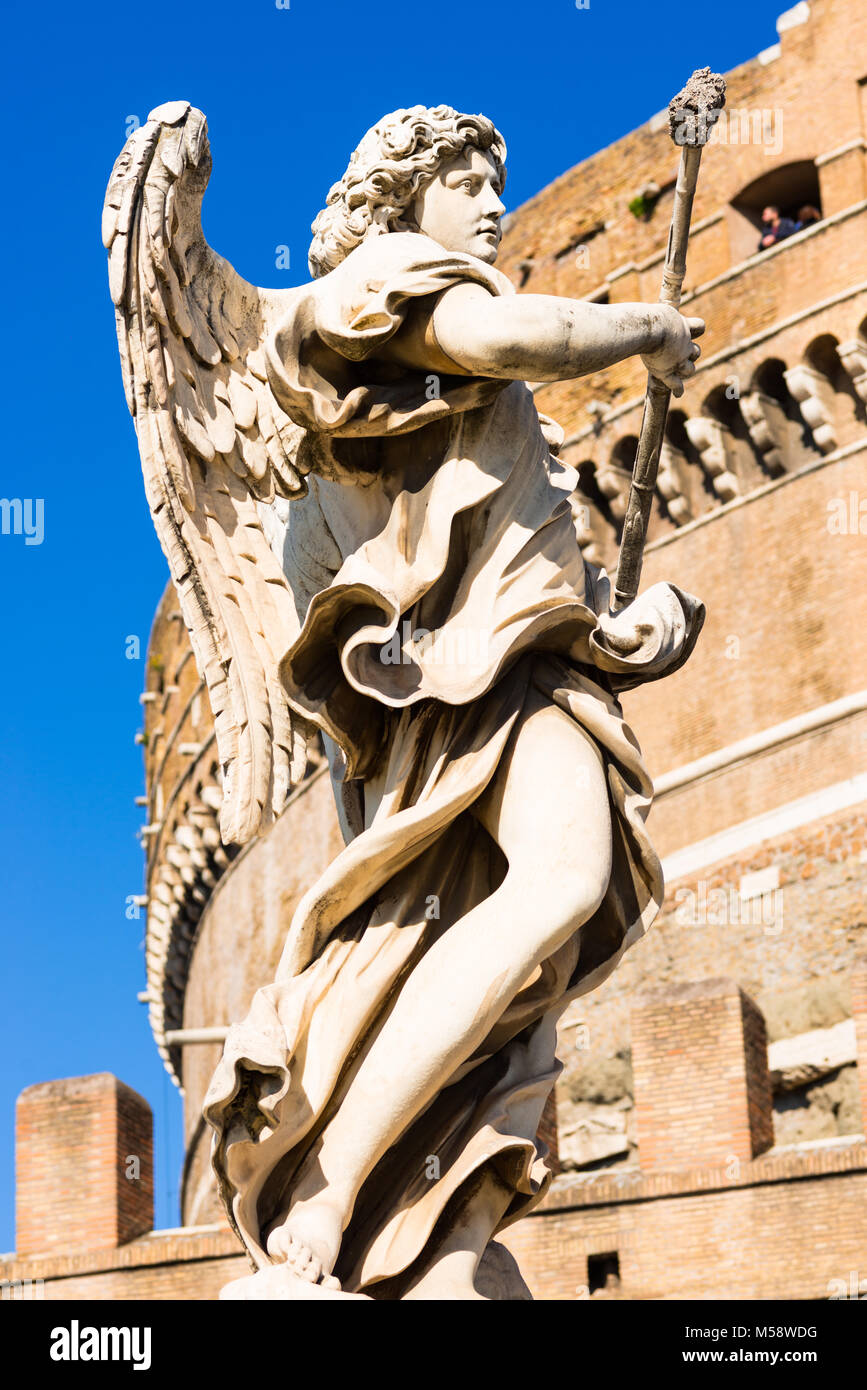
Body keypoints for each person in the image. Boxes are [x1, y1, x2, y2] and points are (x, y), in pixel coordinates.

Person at [196, 104, 707, 1299]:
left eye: (497, 181)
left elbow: (527, 568)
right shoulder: (374, 294)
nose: (490, 202)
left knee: (533, 951)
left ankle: (432, 1217)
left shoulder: (465, 360)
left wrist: (629, 632)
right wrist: (642, 326)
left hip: (524, 675)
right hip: (455, 688)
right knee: (561, 886)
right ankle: (328, 1187)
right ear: (398, 196)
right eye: (466, 179)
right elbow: (501, 336)